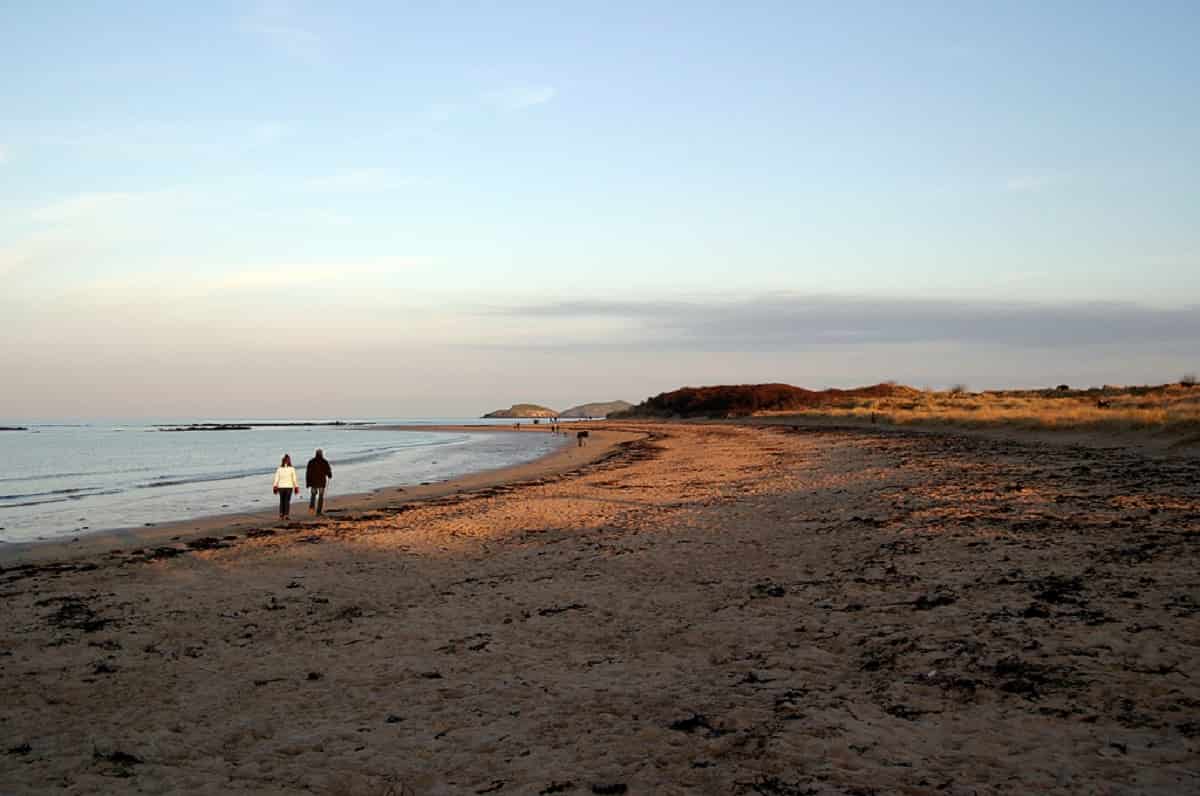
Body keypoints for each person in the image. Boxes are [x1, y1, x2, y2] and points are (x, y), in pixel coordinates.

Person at [305, 448, 333, 516]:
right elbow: (328, 470)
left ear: (316, 454)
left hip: (313, 482)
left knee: (313, 495)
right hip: (321, 482)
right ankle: (318, 511)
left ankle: (312, 508)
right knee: (320, 496)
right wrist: (329, 475)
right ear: (321, 454)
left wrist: (308, 483)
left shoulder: (311, 462)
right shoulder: (324, 461)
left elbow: (308, 473)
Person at [272, 454, 300, 520]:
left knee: (282, 501)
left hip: (281, 487)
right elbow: (294, 479)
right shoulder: (292, 469)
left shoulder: (279, 469)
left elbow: (276, 478)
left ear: (282, 461)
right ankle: (286, 515)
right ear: (289, 461)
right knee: (287, 501)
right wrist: (296, 487)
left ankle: (281, 514)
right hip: (289, 487)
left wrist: (275, 486)